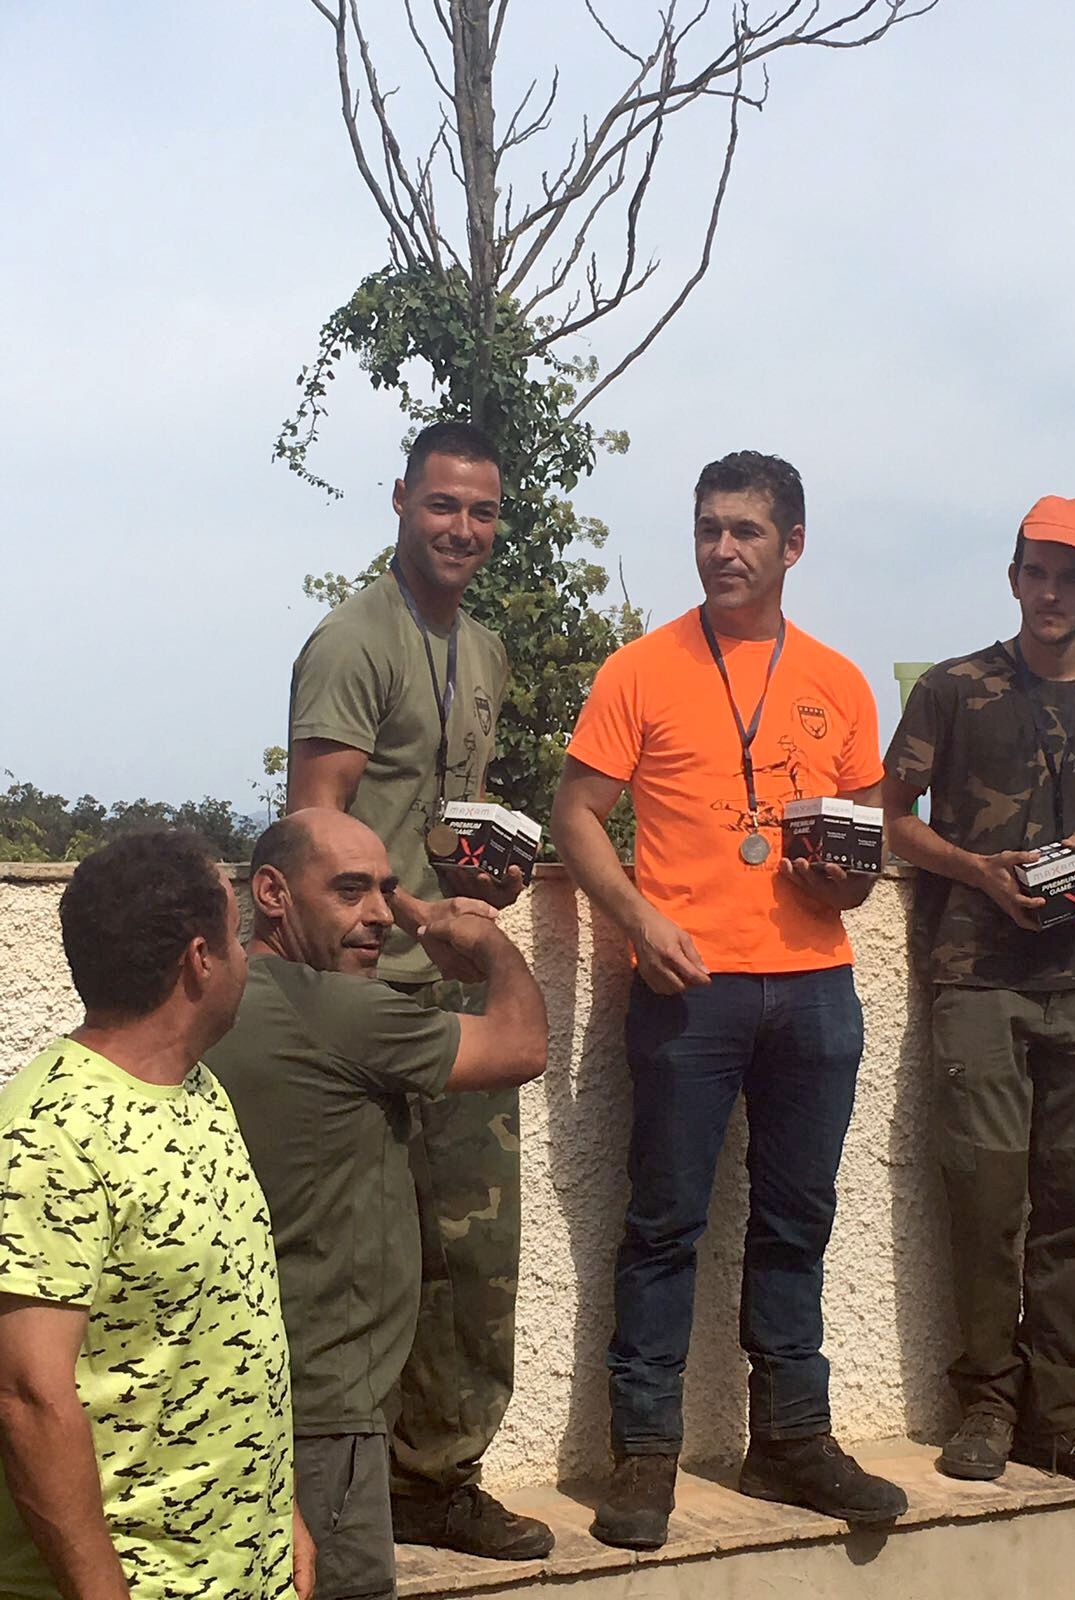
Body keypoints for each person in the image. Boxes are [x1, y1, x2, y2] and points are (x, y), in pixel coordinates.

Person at [551, 450, 908, 1550]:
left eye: (746, 530)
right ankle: (644, 1452)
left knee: (798, 1221)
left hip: (815, 988)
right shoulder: (640, 669)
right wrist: (636, 918)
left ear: (792, 543)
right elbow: (575, 812)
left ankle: (791, 1440)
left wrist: (847, 879)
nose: (723, 549)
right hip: (687, 987)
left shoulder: (839, 681)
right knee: (663, 1223)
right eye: (709, 528)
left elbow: (866, 845)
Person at [285, 420, 551, 1560]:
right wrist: (410, 920)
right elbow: (314, 836)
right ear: (400, 500)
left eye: (482, 511)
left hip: (450, 992)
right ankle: (334, 1494)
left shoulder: (481, 648)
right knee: (363, 1256)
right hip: (361, 995)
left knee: (475, 1251)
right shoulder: (354, 640)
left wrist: (479, 890)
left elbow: (443, 823)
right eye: (443, 504)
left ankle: (439, 1476)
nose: (462, 528)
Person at [882, 495, 1075, 1490]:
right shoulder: (954, 689)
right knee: (985, 1203)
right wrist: (978, 870)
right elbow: (892, 818)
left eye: (1073, 577)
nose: (1052, 592)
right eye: (1037, 571)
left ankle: (1065, 1417)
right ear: (1014, 578)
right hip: (977, 979)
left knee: (1073, 1211)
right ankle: (986, 1406)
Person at [207, 808, 548, 1600]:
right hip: (329, 1405)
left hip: (246, 1384)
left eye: (388, 892)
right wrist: (487, 942)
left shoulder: (224, 1001)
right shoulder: (336, 1009)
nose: (381, 915)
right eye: (349, 891)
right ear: (272, 894)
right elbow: (521, 1045)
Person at [0, 830, 306, 1600]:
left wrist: (281, 1514)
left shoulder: (197, 1090)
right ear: (199, 959)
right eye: (236, 935)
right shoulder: (49, 1135)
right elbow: (28, 1399)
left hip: (243, 1567)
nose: (245, 958)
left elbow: (224, 1328)